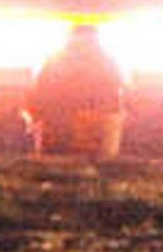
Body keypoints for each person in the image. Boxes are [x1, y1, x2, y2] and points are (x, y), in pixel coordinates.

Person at [31, 18, 127, 160]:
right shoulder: (107, 62)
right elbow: (118, 93)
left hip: (60, 129)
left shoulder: (54, 62)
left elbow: (39, 96)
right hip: (92, 132)